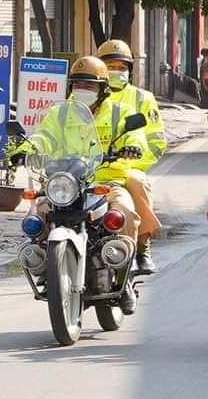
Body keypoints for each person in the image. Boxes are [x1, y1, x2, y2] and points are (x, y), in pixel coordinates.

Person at [30, 56, 146, 314]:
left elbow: (136, 135)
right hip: (68, 182)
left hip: (107, 180)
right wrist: (27, 149)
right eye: (78, 84)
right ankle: (48, 268)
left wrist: (133, 147)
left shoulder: (119, 111)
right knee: (40, 212)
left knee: (125, 213)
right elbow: (43, 136)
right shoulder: (58, 114)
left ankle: (124, 279)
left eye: (90, 86)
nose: (83, 90)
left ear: (103, 89)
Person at [97, 39, 166, 274]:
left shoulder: (142, 99)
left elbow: (156, 143)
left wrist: (130, 161)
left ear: (130, 70)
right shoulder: (89, 97)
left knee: (136, 182)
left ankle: (142, 246)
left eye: (121, 67)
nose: (116, 72)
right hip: (91, 167)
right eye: (110, 66)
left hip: (128, 166)